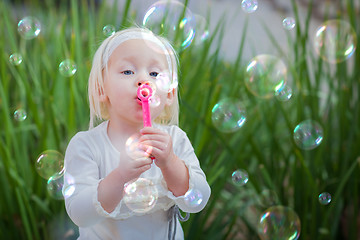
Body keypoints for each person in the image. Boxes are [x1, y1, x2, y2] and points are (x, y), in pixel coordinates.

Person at [62, 27, 211, 240]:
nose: (143, 80)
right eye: (128, 71)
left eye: (154, 73)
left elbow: (198, 200)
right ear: (101, 88)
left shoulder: (175, 141)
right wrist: (121, 175)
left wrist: (169, 162)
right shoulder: (87, 145)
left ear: (169, 94)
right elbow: (80, 214)